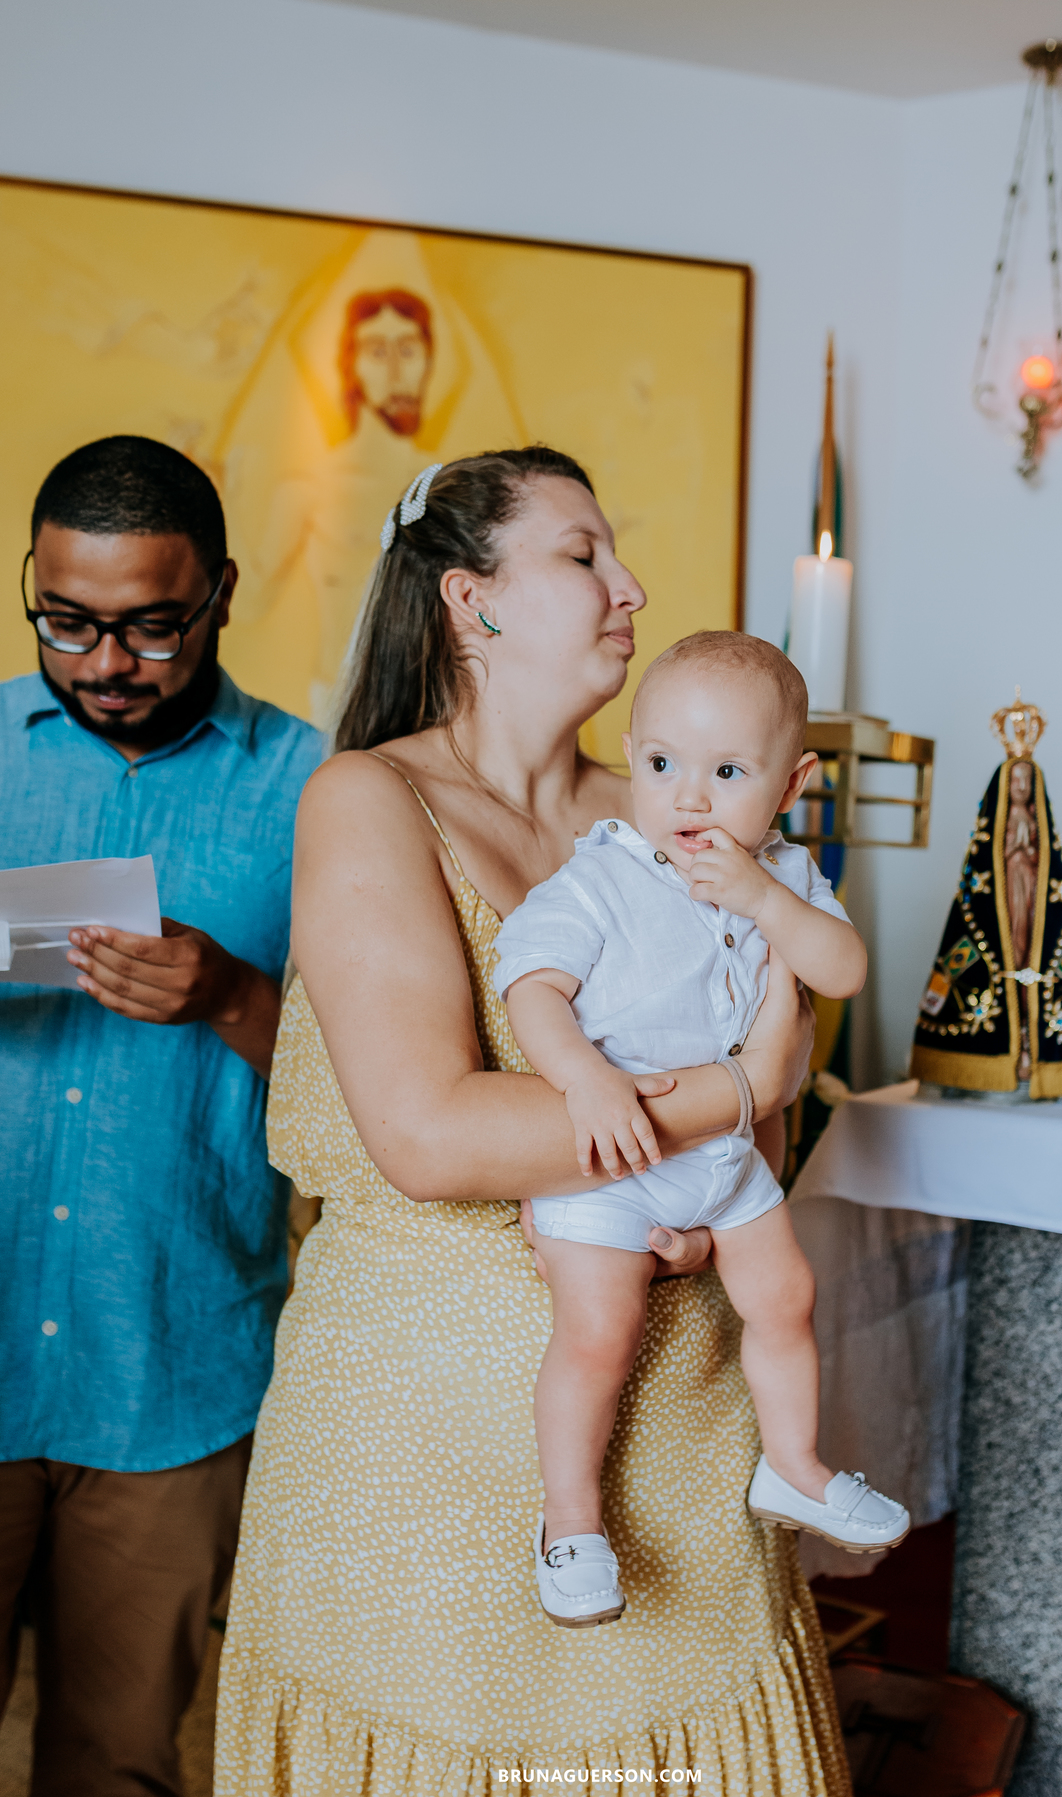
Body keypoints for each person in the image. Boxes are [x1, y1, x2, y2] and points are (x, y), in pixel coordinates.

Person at [215, 448, 852, 1793]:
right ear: (472, 602)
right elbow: (432, 1132)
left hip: (681, 1431)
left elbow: (783, 1094)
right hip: (419, 1453)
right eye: (583, 556)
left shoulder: (676, 811)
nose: (630, 587)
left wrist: (721, 1169)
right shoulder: (370, 800)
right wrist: (732, 1096)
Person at [0, 436, 323, 1795]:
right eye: (64, 622)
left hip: (177, 1369)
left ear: (223, 593)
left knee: (119, 1766)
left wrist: (238, 994)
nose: (104, 664)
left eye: (148, 628)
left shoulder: (320, 790)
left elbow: (384, 1082)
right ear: (29, 581)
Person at [496, 632, 909, 1627]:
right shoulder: (604, 876)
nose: (690, 798)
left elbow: (842, 970)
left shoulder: (783, 873)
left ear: (791, 782)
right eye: (662, 766)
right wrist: (585, 1079)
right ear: (630, 753)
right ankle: (569, 1521)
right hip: (612, 1161)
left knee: (787, 1295)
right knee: (600, 1330)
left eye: (727, 773)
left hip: (724, 1162)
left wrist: (766, 899)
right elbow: (533, 988)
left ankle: (796, 1467)